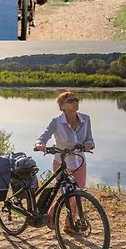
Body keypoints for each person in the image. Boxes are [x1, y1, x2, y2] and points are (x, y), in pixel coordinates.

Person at [34, 91, 94, 233]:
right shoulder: (56, 121)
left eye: (76, 99)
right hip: (61, 162)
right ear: (62, 106)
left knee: (77, 194)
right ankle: (53, 214)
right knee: (67, 194)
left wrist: (89, 144)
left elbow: (90, 139)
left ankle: (68, 224)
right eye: (71, 101)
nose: (75, 102)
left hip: (79, 162)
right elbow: (44, 136)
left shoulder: (86, 119)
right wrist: (39, 144)